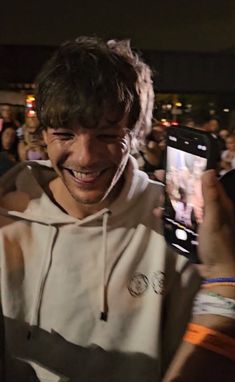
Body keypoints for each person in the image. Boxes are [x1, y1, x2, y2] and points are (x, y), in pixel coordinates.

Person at [0, 36, 234, 382]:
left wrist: (226, 278)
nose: (85, 158)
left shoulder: (179, 223)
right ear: (43, 134)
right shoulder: (7, 220)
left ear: (135, 134)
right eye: (65, 134)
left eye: (108, 136)